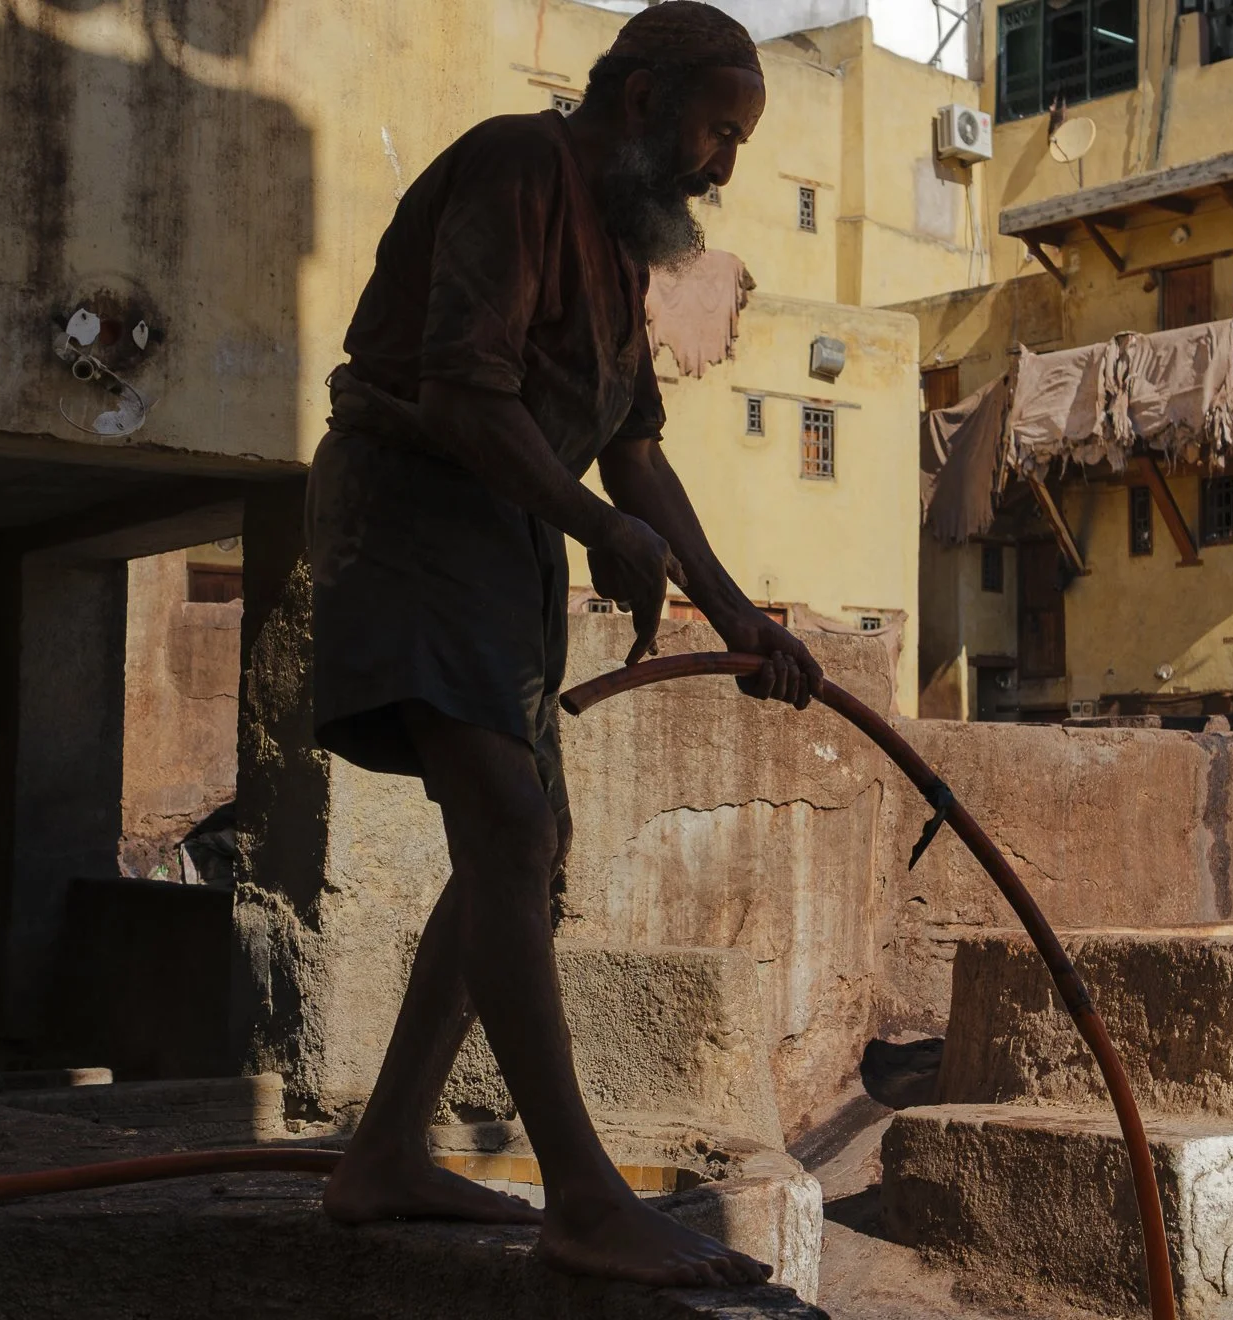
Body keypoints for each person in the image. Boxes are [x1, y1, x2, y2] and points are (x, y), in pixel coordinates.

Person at [306, 2, 819, 1289]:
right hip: (417, 509)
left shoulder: (621, 243)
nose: (724, 170)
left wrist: (738, 612)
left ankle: (382, 1156)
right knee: (509, 825)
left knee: (517, 857)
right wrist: (589, 520)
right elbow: (460, 391)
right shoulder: (519, 165)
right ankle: (585, 1198)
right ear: (640, 100)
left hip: (507, 542)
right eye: (718, 133)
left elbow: (636, 451)